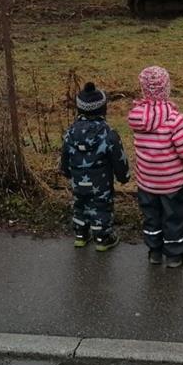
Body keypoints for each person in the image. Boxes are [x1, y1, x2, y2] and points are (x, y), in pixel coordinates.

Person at [128, 66, 183, 268]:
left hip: (146, 184)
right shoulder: (174, 120)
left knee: (151, 219)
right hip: (173, 185)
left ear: (143, 89)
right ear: (167, 88)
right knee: (174, 219)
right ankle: (175, 255)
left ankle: (154, 251)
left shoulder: (138, 119)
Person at [59, 82, 131, 251]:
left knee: (79, 204)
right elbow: (118, 157)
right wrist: (124, 176)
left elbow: (65, 154)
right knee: (101, 206)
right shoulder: (108, 134)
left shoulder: (70, 132)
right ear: (103, 109)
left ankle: (80, 235)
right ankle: (103, 237)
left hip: (78, 180)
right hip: (101, 183)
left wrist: (66, 171)